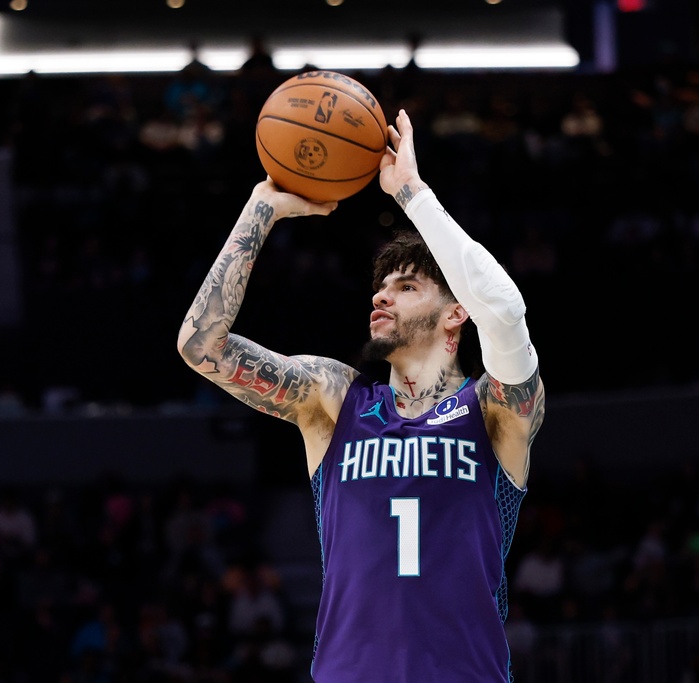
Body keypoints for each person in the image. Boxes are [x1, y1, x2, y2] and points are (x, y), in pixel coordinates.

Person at [177, 108, 545, 682]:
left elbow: (503, 309)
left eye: (406, 286)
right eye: (379, 287)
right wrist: (261, 208)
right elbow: (201, 345)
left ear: (456, 312)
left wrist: (413, 194)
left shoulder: (494, 412)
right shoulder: (334, 399)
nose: (380, 296)